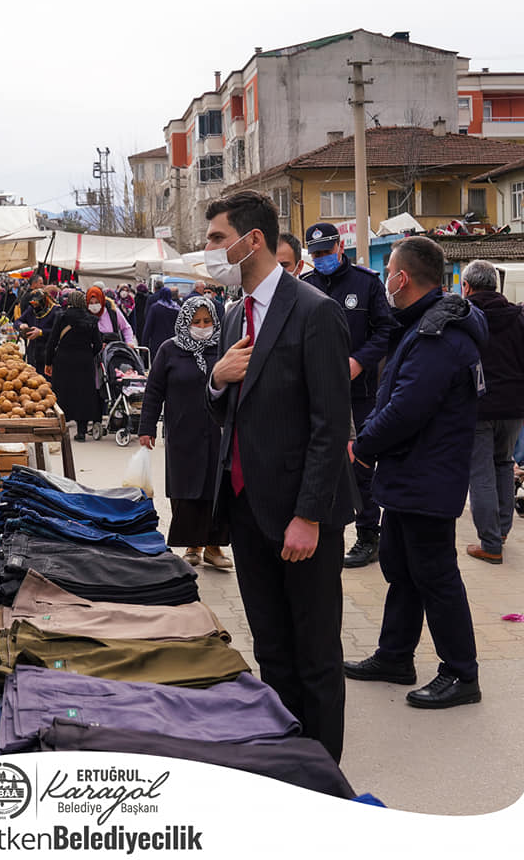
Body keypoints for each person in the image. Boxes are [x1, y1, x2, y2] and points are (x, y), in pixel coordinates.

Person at [205, 191, 353, 764]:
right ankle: (287, 756)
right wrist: (216, 380)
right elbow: (228, 410)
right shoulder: (230, 314)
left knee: (314, 651)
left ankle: (324, 771)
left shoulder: (315, 312)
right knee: (271, 646)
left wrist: (309, 515)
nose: (213, 250)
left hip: (300, 514)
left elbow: (330, 425)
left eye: (219, 239)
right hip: (246, 508)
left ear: (253, 240)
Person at [346, 236, 487, 709]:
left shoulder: (437, 335)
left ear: (401, 278)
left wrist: (363, 446)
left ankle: (461, 673)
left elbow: (408, 407)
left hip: (428, 475)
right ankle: (394, 655)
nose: (386, 281)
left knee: (436, 574)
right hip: (412, 474)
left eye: (389, 274)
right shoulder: (424, 325)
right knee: (402, 568)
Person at [302, 222, 398, 569]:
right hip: (320, 393)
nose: (321, 259)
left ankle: (369, 534)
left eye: (326, 252)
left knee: (362, 464)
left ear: (340, 247)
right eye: (315, 254)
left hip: (361, 392)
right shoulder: (306, 287)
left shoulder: (366, 284)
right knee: (323, 461)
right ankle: (326, 527)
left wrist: (359, 361)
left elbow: (385, 330)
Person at [139, 295, 232, 569]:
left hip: (218, 432)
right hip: (182, 432)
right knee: (186, 490)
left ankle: (215, 547)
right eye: (196, 321)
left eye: (206, 321)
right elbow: (154, 391)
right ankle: (192, 545)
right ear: (185, 322)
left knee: (215, 489)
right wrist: (146, 428)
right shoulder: (169, 350)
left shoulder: (224, 348)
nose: (202, 326)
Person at [459, 260, 524, 564]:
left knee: (481, 472)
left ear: (467, 287)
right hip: (513, 406)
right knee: (503, 464)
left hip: (479, 406)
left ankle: (489, 543)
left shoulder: (464, 316)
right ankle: (500, 532)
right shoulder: (519, 317)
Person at [44, 289, 102, 441]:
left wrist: (48, 362)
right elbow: (98, 344)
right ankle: (81, 431)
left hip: (64, 360)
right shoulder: (92, 320)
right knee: (83, 394)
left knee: (62, 392)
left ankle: (60, 427)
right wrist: (89, 354)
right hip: (84, 361)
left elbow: (52, 341)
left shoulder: (61, 317)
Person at [14, 288, 60, 377]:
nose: (35, 307)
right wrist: (21, 325)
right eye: (33, 305)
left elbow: (58, 332)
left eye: (37, 305)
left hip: (49, 353)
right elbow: (17, 321)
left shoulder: (56, 311)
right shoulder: (31, 309)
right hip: (33, 352)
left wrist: (41, 332)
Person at [141, 285, 179, 354]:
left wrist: (144, 343)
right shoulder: (176, 308)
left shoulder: (155, 308)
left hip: (157, 342)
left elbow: (148, 326)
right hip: (172, 342)